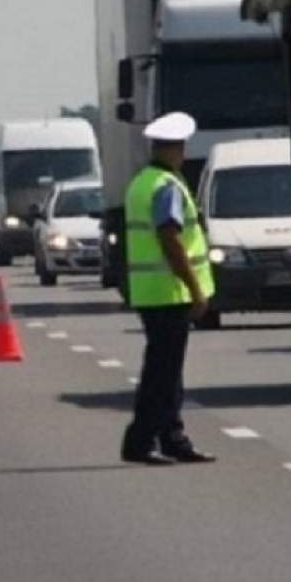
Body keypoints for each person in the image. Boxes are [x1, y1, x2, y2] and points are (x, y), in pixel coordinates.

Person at [120, 111, 217, 466]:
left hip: (153, 292)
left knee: (167, 373)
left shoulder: (143, 182)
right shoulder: (166, 188)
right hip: (169, 293)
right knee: (161, 376)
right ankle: (140, 443)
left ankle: (172, 438)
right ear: (177, 149)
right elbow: (170, 240)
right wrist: (195, 288)